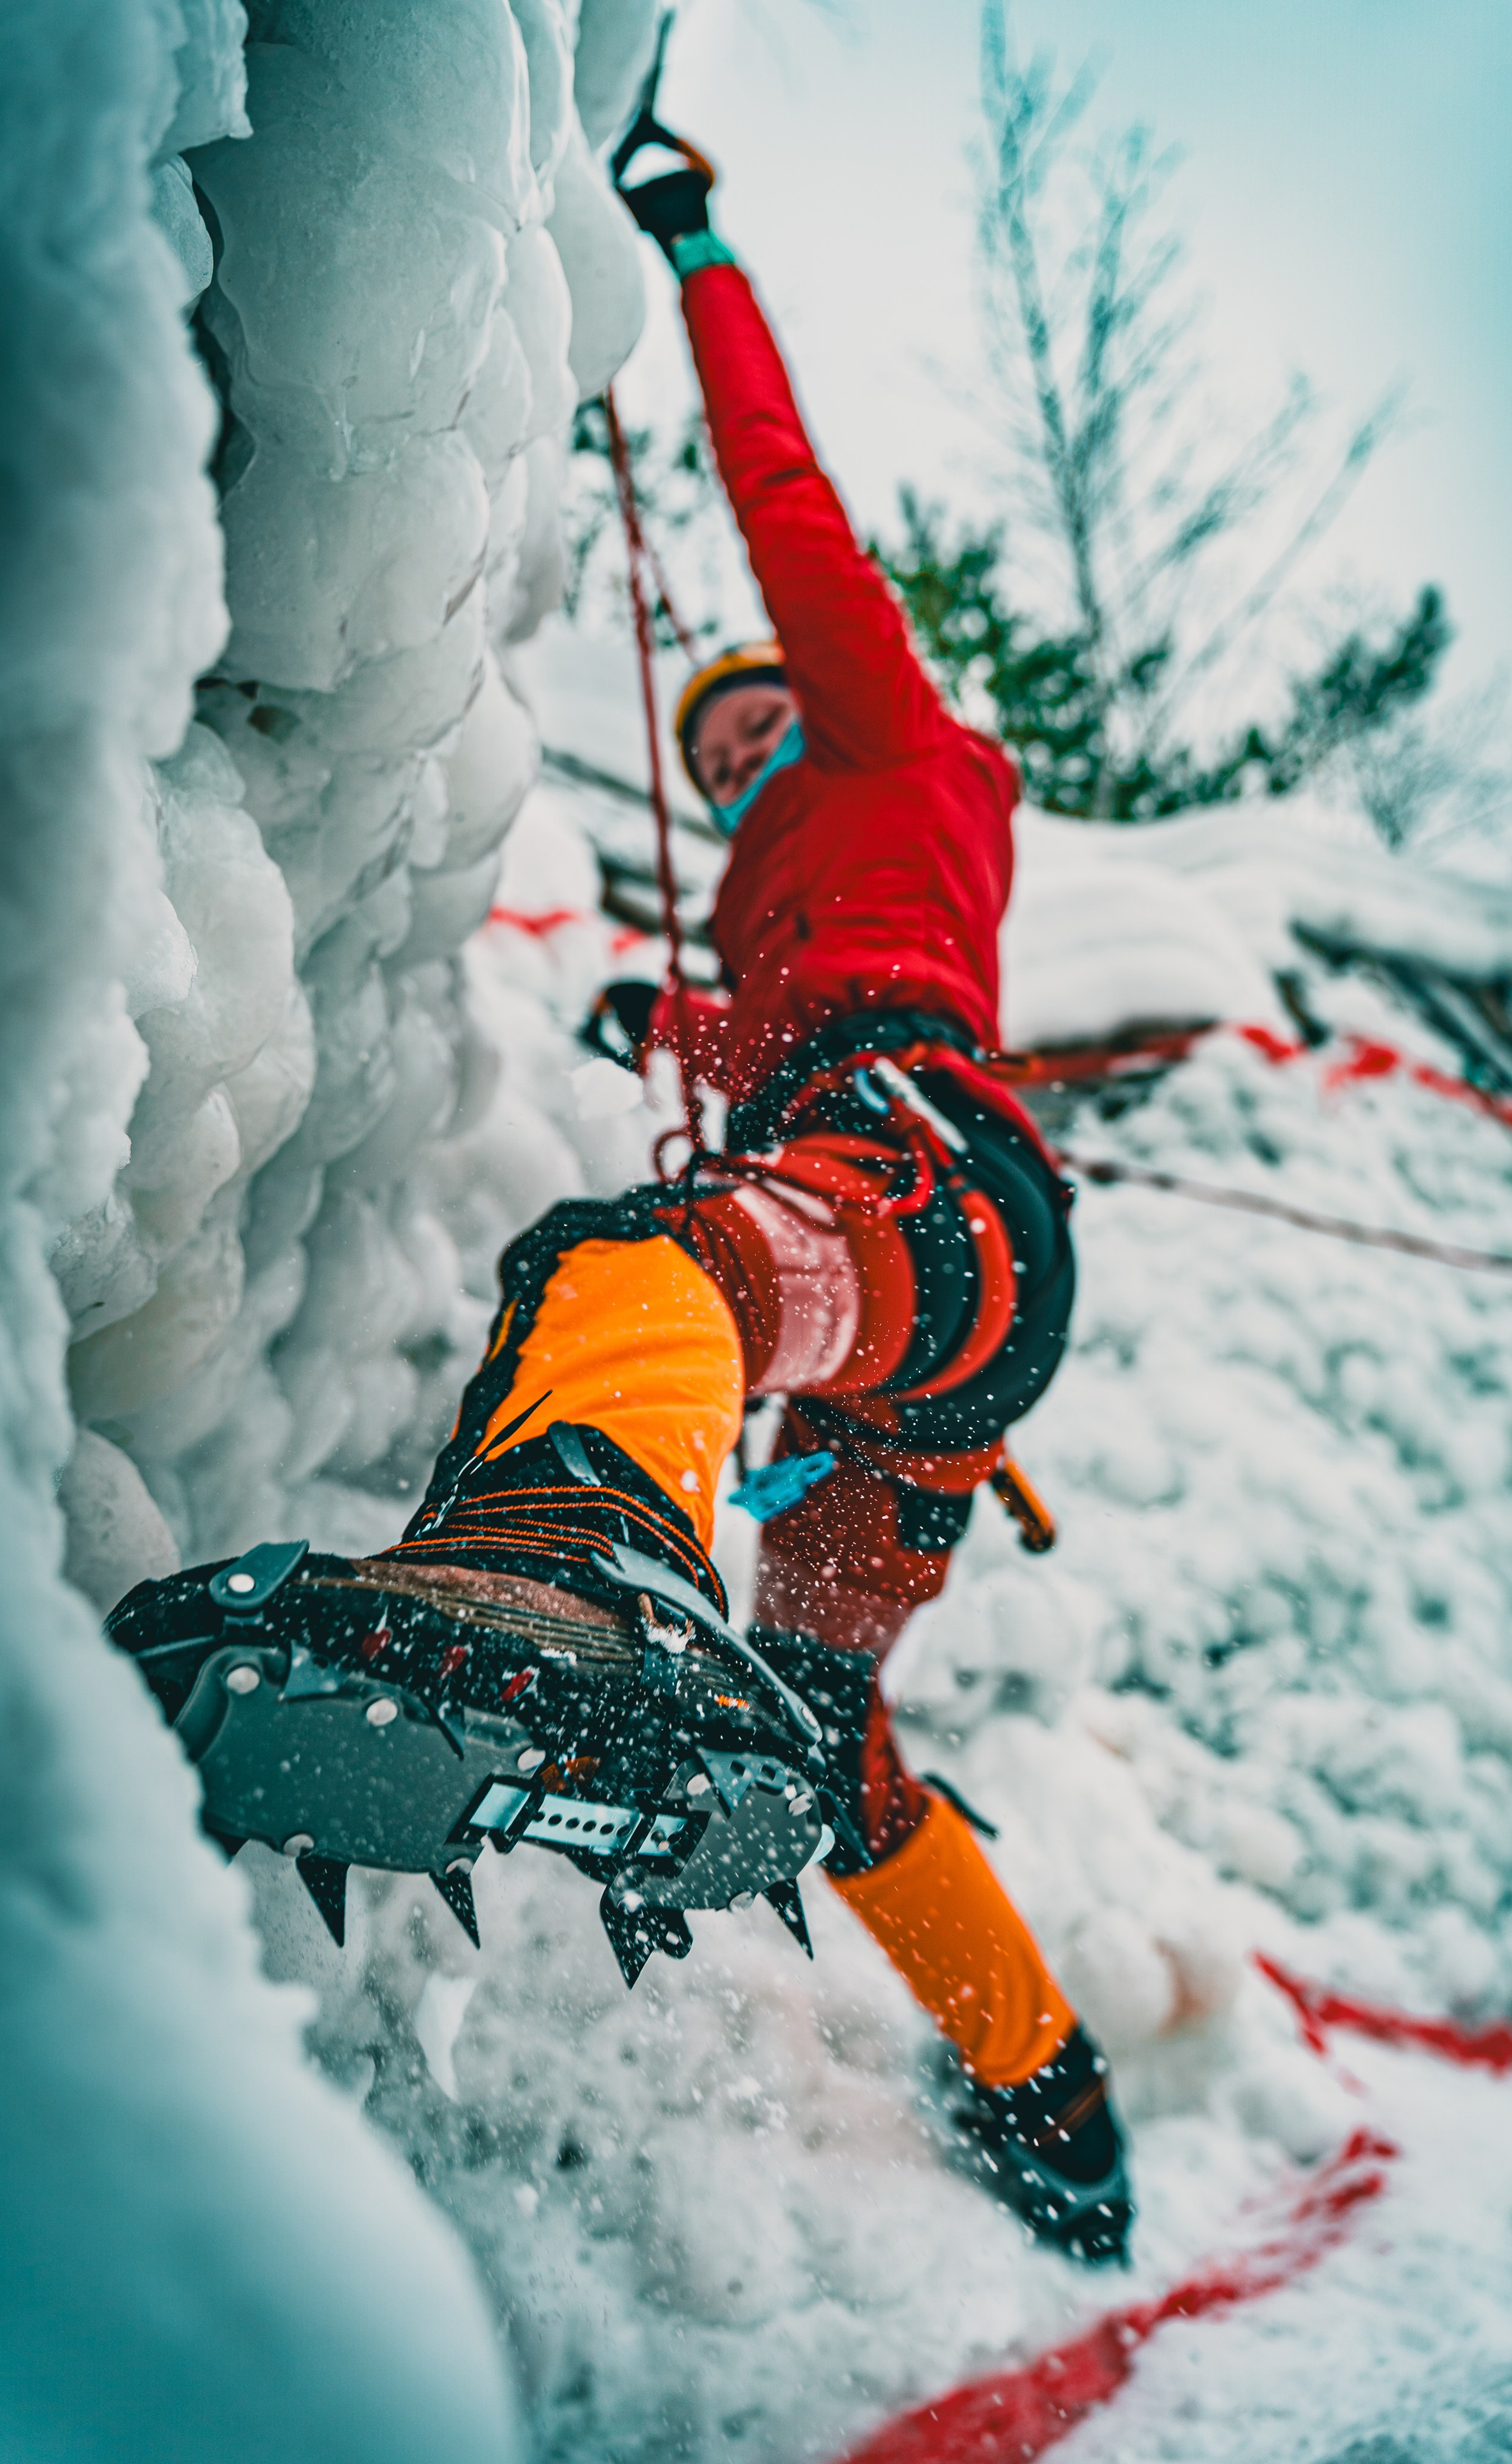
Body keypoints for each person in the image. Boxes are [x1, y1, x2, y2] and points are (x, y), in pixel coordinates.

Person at [363, 143, 1133, 2263]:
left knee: (646, 1266)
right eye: (718, 758)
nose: (739, 756)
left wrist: (695, 250)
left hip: (917, 1190)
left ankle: (560, 1559)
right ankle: (1047, 2088)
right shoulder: (789, 912)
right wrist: (665, 1007)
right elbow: (747, 1032)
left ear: (819, 694)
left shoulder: (894, 749)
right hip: (933, 1293)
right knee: (823, 1729)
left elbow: (783, 494)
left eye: (754, 719)